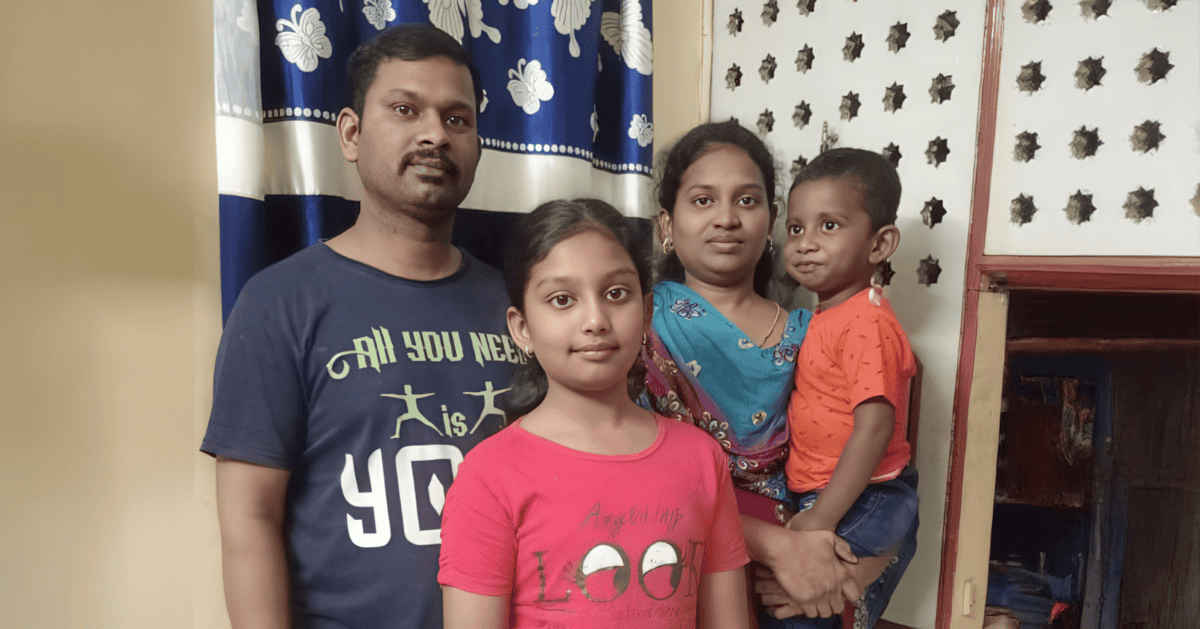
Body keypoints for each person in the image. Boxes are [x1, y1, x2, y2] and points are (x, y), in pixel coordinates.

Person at [201, 24, 519, 629]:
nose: (434, 134)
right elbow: (250, 520)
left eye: (458, 119)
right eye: (405, 109)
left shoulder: (519, 306)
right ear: (351, 133)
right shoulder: (278, 302)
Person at [438, 199, 751, 629]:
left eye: (616, 293)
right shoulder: (490, 475)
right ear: (522, 328)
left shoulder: (701, 458)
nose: (595, 319)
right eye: (562, 299)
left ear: (646, 313)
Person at [641, 120, 861, 626]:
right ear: (666, 226)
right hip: (669, 554)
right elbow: (615, 463)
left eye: (746, 200)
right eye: (702, 200)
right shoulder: (638, 325)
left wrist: (846, 571)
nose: (726, 218)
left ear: (773, 219)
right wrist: (773, 546)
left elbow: (861, 464)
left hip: (794, 578)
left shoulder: (815, 335)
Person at [772, 147, 920, 629]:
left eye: (829, 226)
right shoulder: (827, 315)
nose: (806, 243)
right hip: (828, 491)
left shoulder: (864, 321)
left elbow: (875, 426)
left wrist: (819, 519)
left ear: (879, 245)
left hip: (865, 495)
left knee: (800, 605)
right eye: (796, 228)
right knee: (798, 602)